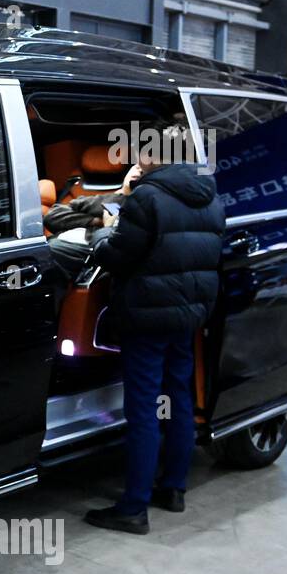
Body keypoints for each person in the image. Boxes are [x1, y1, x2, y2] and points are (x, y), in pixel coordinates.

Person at [85, 128, 225, 534]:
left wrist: (103, 229)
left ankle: (133, 507)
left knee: (143, 407)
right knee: (178, 395)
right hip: (188, 314)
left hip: (146, 316)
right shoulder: (209, 194)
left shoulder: (147, 197)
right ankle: (174, 488)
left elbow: (117, 253)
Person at [45, 163, 142, 279]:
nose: (139, 170)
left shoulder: (140, 206)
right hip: (61, 241)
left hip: (89, 252)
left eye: (143, 171)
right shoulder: (99, 199)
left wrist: (109, 226)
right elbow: (52, 216)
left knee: (48, 252)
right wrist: (97, 221)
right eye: (136, 167)